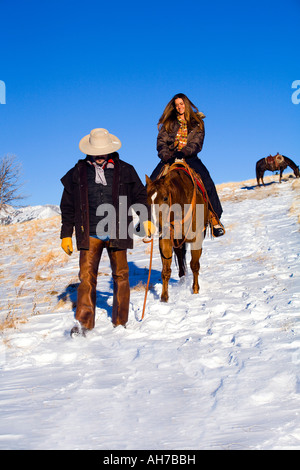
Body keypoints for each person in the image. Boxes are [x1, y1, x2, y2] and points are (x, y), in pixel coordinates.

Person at [60, 128, 155, 336]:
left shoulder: (126, 170)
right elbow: (67, 205)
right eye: (97, 151)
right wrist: (66, 233)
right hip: (89, 231)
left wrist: (146, 219)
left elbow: (141, 196)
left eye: (103, 150)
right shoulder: (77, 172)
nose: (101, 155)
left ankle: (121, 322)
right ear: (90, 150)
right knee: (86, 276)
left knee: (121, 275)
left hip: (118, 229)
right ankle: (84, 323)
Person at [150, 93, 225, 237]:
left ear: (187, 104)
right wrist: (167, 156)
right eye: (177, 105)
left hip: (189, 157)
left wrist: (184, 152)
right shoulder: (168, 123)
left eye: (181, 104)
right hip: (169, 158)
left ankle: (214, 218)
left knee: (207, 181)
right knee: (151, 184)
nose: (179, 107)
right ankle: (148, 221)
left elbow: (197, 142)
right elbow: (161, 143)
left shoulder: (197, 123)